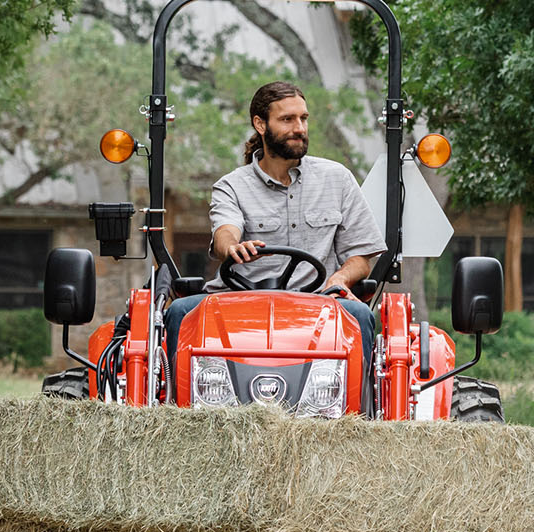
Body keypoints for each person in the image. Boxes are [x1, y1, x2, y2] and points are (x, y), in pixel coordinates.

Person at [163, 80, 385, 363]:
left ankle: (356, 407)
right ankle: (176, 404)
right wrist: (233, 247)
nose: (300, 128)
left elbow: (361, 256)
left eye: (303, 118)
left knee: (359, 315)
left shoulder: (337, 179)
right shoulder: (231, 186)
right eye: (287, 119)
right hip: (239, 305)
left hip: (318, 303)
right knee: (181, 312)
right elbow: (225, 233)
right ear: (260, 124)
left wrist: (340, 279)